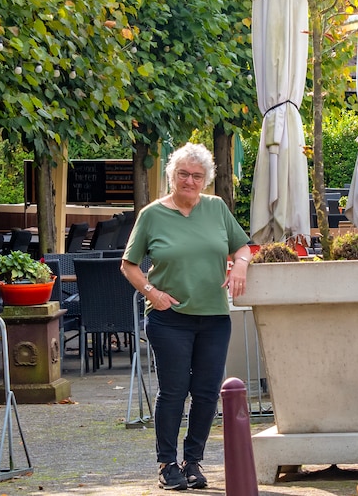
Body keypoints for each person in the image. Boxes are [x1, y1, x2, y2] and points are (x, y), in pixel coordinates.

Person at [121, 143, 251, 491]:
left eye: (196, 175)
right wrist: (152, 293)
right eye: (183, 174)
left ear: (206, 179)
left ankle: (193, 461)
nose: (190, 181)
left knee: (207, 393)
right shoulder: (152, 214)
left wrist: (240, 264)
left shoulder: (217, 208)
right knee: (174, 392)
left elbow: (242, 245)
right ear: (171, 176)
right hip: (169, 318)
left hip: (214, 316)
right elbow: (129, 264)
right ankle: (167, 463)